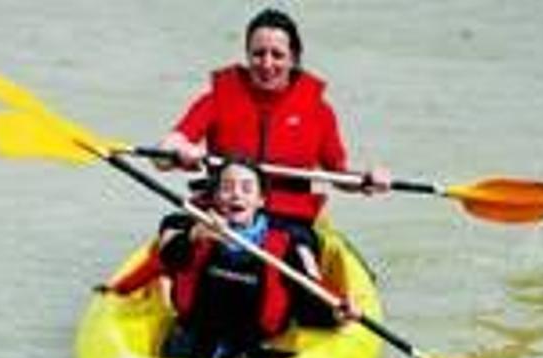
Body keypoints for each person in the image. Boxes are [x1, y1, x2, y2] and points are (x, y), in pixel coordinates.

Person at [156, 8, 390, 287]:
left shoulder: (319, 111)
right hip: (223, 210)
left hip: (288, 219)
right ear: (247, 56)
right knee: (172, 226)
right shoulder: (217, 99)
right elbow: (166, 150)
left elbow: (338, 173)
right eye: (258, 53)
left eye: (277, 55)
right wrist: (180, 151)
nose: (266, 64)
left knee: (299, 258)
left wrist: (367, 181)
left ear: (293, 59)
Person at [98, 162, 353, 358]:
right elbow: (163, 261)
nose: (235, 195)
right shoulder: (191, 228)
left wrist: (337, 310)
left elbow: (308, 292)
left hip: (256, 345)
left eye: (246, 188)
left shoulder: (284, 243)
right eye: (227, 187)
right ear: (216, 196)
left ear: (261, 200)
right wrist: (119, 287)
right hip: (194, 338)